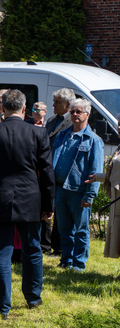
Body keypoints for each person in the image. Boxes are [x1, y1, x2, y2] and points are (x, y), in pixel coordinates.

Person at [0, 89, 54, 318]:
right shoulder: (38, 134)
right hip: (30, 199)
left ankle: (3, 305)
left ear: (3, 108)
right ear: (25, 108)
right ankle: (33, 298)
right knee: (33, 250)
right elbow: (46, 172)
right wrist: (49, 205)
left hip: (1, 198)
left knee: (1, 252)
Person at [51, 98, 102, 271]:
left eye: (78, 111)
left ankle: (79, 264)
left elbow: (96, 172)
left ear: (87, 114)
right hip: (60, 189)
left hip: (79, 192)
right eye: (72, 111)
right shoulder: (62, 135)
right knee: (64, 229)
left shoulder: (93, 140)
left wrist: (90, 195)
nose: (74, 115)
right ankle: (66, 260)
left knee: (81, 230)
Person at [41, 88, 75, 255]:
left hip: (61, 172)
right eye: (54, 102)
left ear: (68, 104)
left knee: (60, 212)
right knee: (46, 206)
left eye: (57, 102)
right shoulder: (52, 120)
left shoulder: (73, 122)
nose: (53, 105)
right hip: (48, 168)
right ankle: (45, 244)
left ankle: (59, 247)